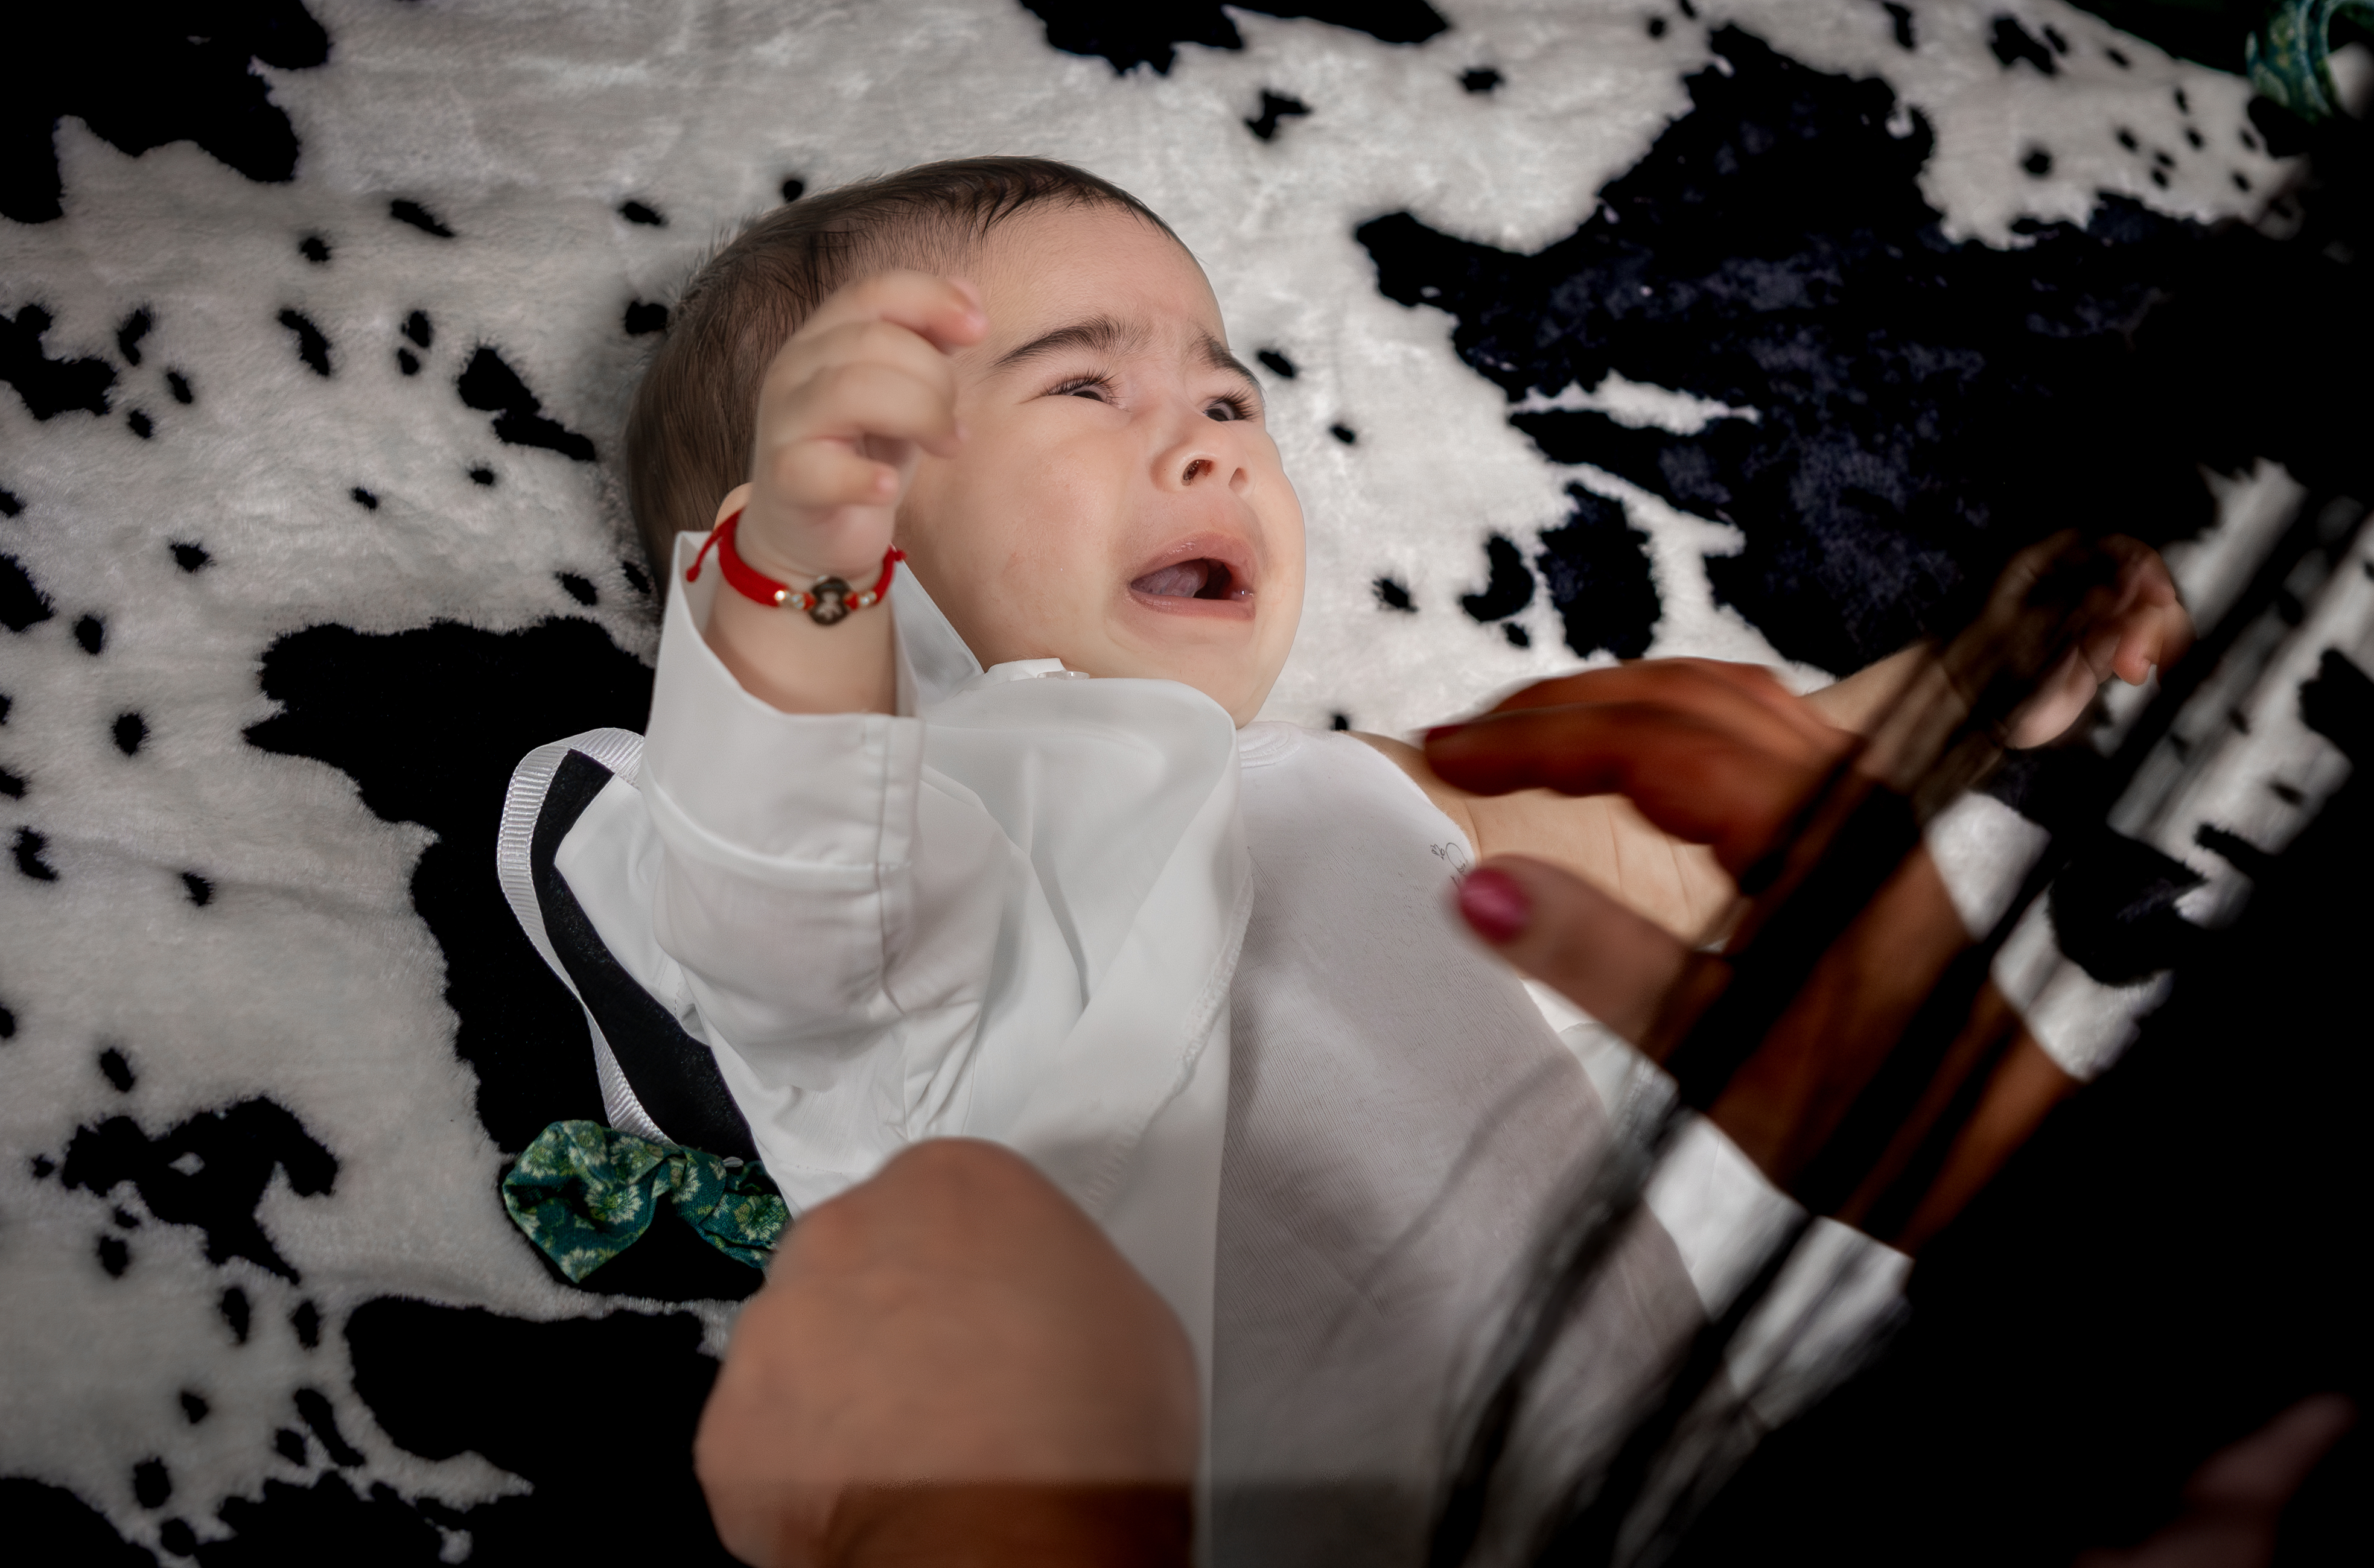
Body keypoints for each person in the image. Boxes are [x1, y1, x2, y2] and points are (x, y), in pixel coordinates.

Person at [513, 156, 2186, 1565]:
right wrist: (801, 578)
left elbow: (1692, 821)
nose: (1212, 441)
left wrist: (1967, 689)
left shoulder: (1339, 796)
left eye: (1227, 394)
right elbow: (778, 878)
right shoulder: (937, 855)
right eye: (1084, 386)